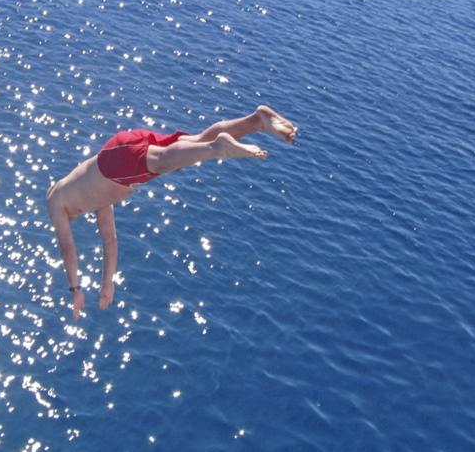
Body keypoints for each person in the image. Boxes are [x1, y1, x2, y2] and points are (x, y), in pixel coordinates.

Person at [46, 105, 298, 320]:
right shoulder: (97, 201)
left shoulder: (56, 201)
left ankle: (218, 148)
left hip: (115, 163)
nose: (75, 217)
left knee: (164, 161)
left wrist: (75, 288)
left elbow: (67, 247)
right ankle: (256, 121)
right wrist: (107, 282)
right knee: (191, 145)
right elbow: (109, 240)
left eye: (73, 217)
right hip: (119, 150)